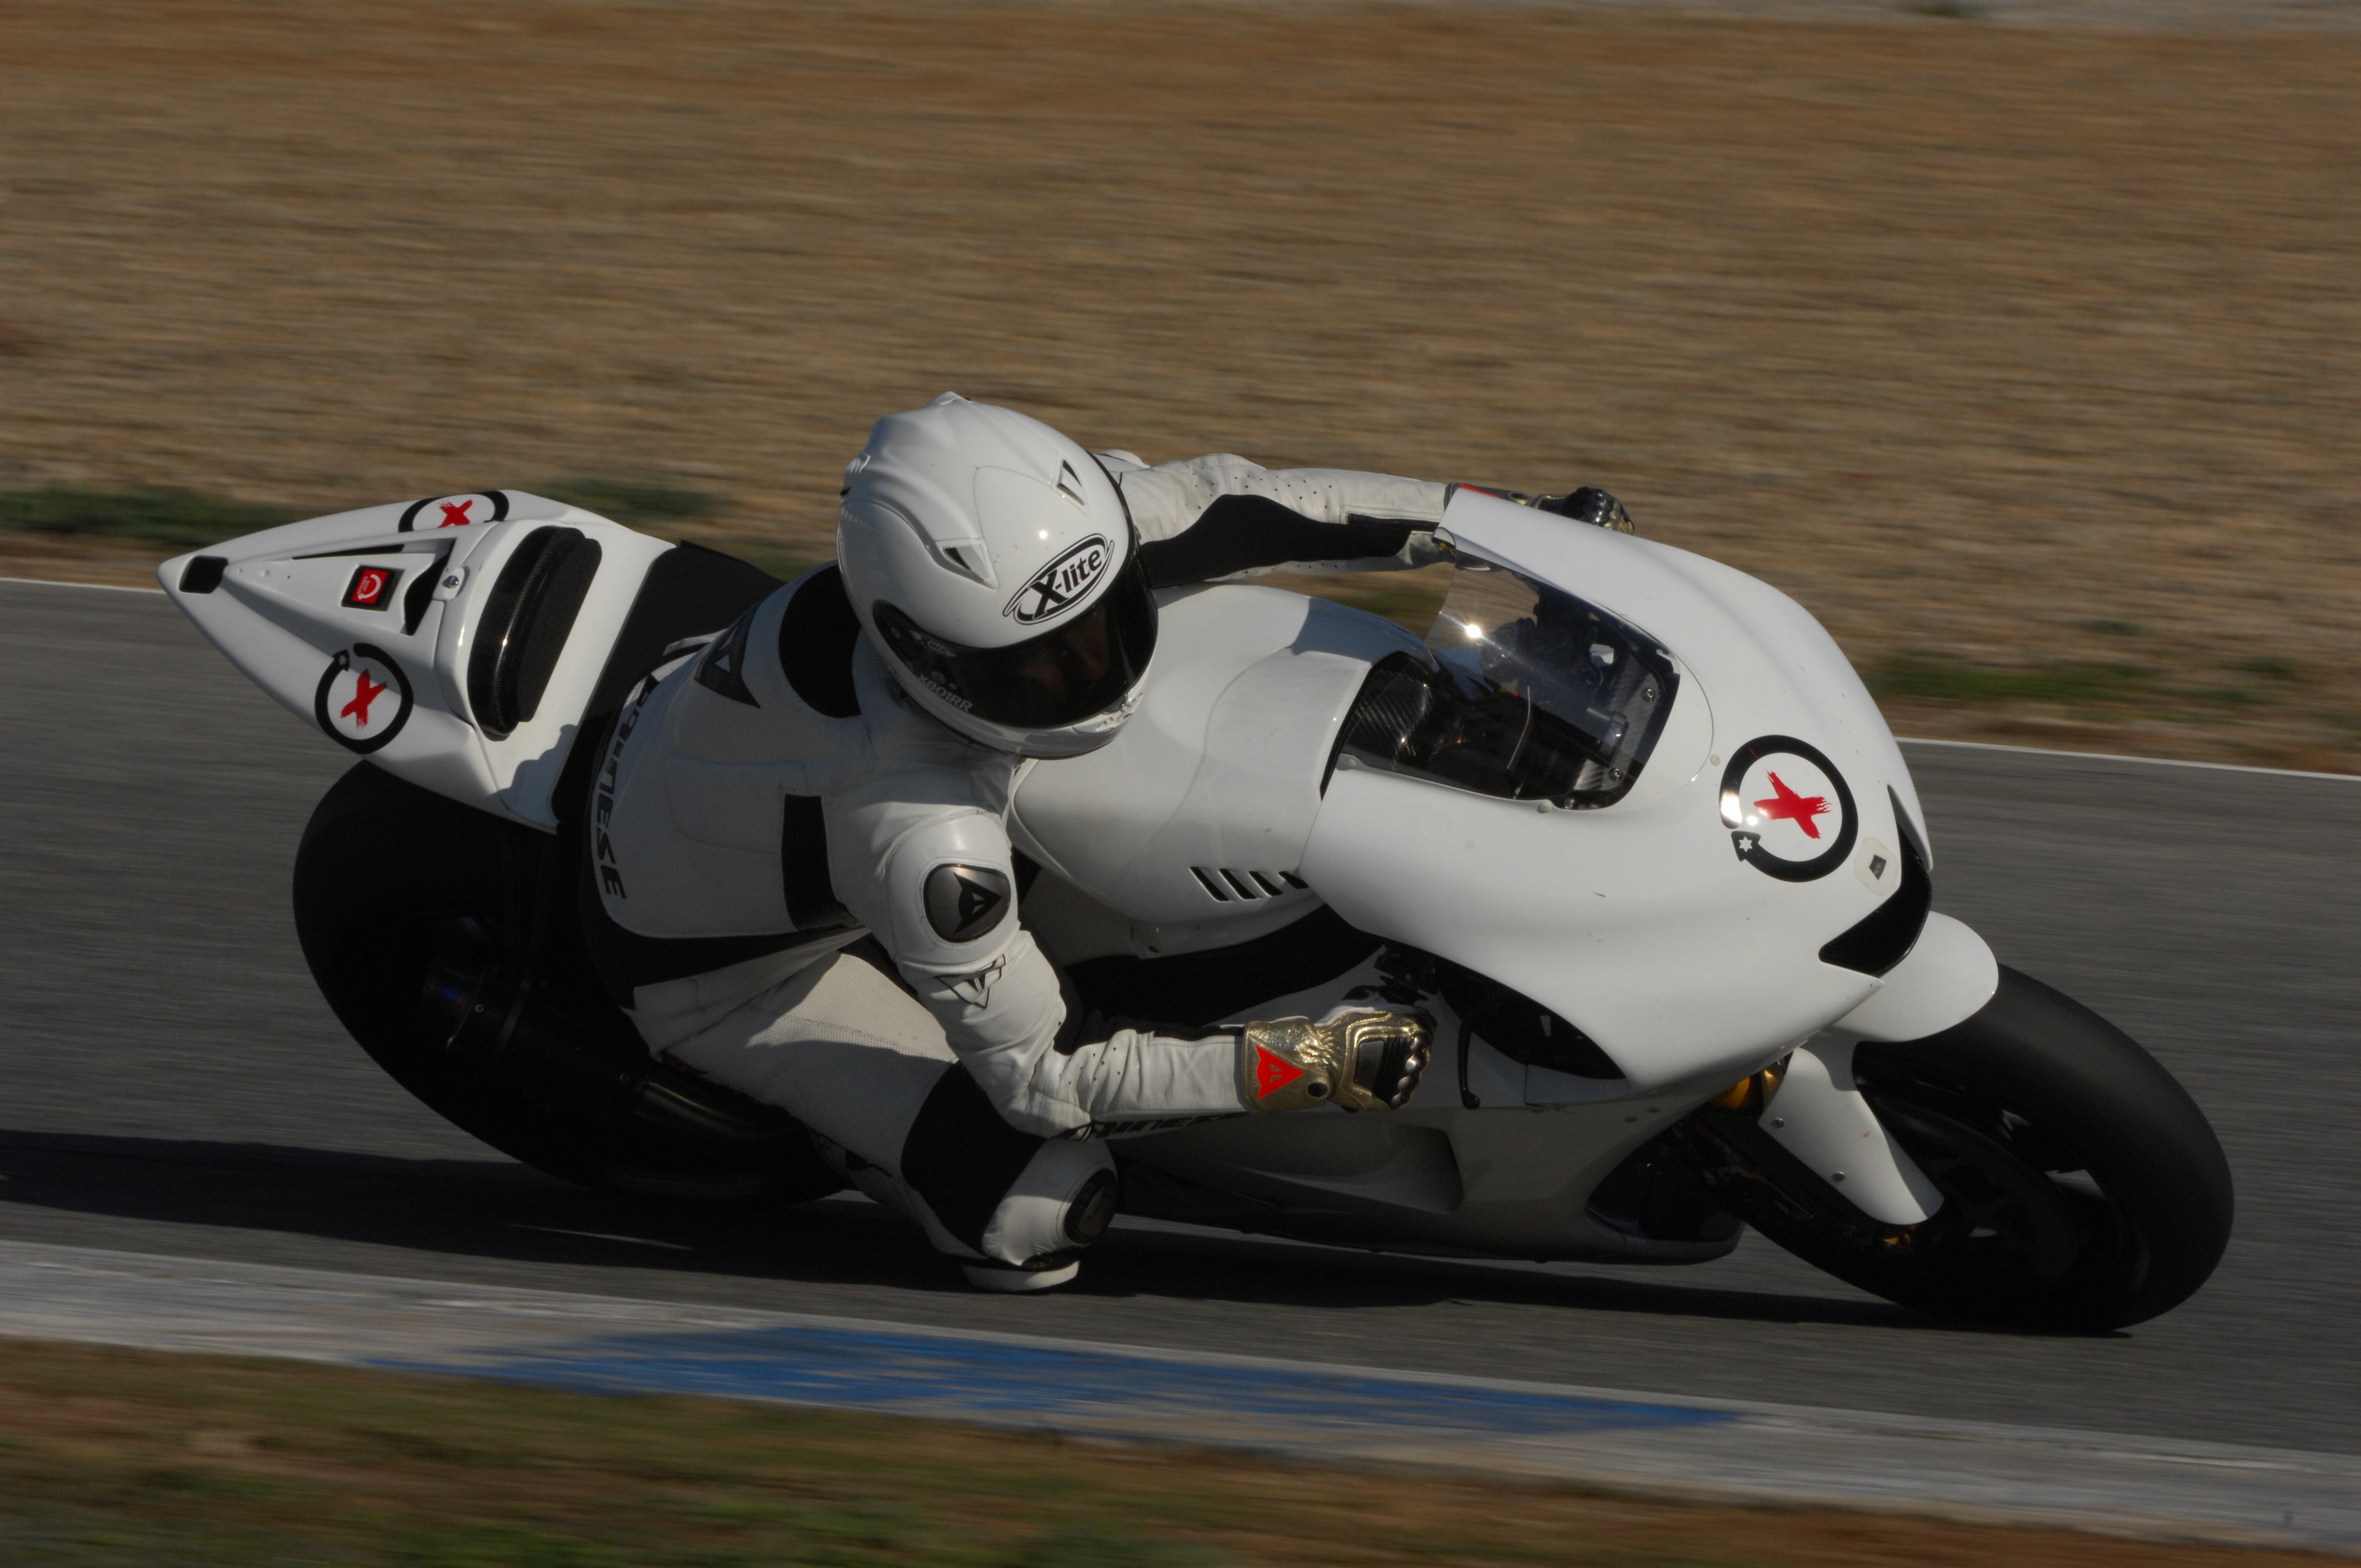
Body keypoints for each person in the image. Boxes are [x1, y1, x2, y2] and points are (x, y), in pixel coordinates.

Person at [582, 394, 1459, 1290]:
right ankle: (850, 1136)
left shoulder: (1052, 548)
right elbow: (1045, 1081)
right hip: (734, 975)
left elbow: (1244, 502)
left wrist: (1486, 519)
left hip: (713, 754)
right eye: (1035, 666)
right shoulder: (916, 823)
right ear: (926, 656)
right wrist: (1303, 1065)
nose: (1087, 670)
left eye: (1102, 622)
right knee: (1040, 1215)